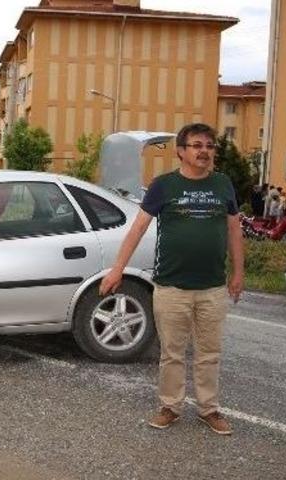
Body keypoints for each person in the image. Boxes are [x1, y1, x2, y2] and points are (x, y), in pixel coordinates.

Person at [99, 123, 244, 436]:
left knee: (209, 353)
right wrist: (117, 269)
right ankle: (170, 407)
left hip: (212, 287)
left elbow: (234, 229)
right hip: (171, 286)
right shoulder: (164, 186)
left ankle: (209, 409)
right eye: (197, 145)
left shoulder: (223, 184)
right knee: (172, 353)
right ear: (181, 151)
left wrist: (238, 273)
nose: (204, 151)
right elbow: (137, 229)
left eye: (209, 145)